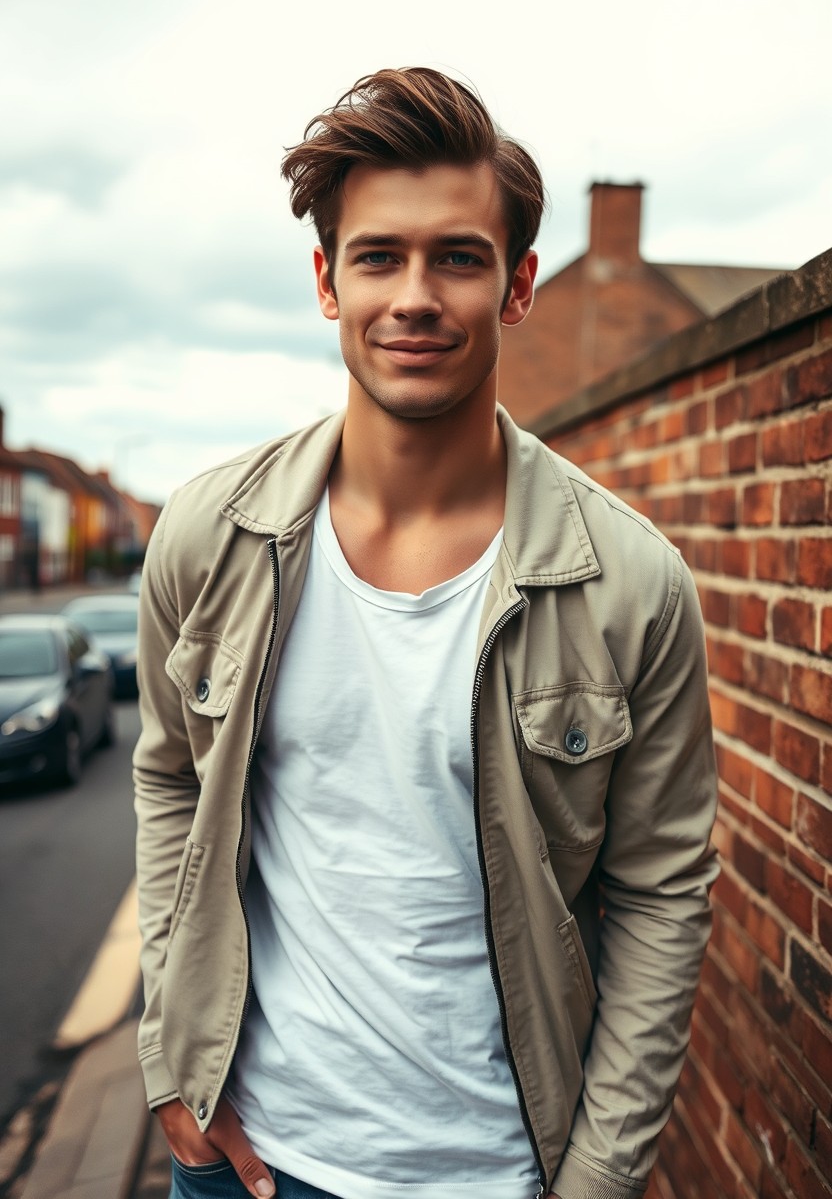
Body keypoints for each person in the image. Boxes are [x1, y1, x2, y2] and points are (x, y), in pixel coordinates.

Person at [134, 67, 719, 1199]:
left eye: (457, 256)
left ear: (516, 286)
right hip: (245, 1158)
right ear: (325, 281)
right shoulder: (211, 536)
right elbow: (170, 784)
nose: (414, 295)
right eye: (377, 256)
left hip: (504, 1174)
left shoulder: (630, 581)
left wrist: (600, 1175)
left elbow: (662, 888)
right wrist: (170, 1053)